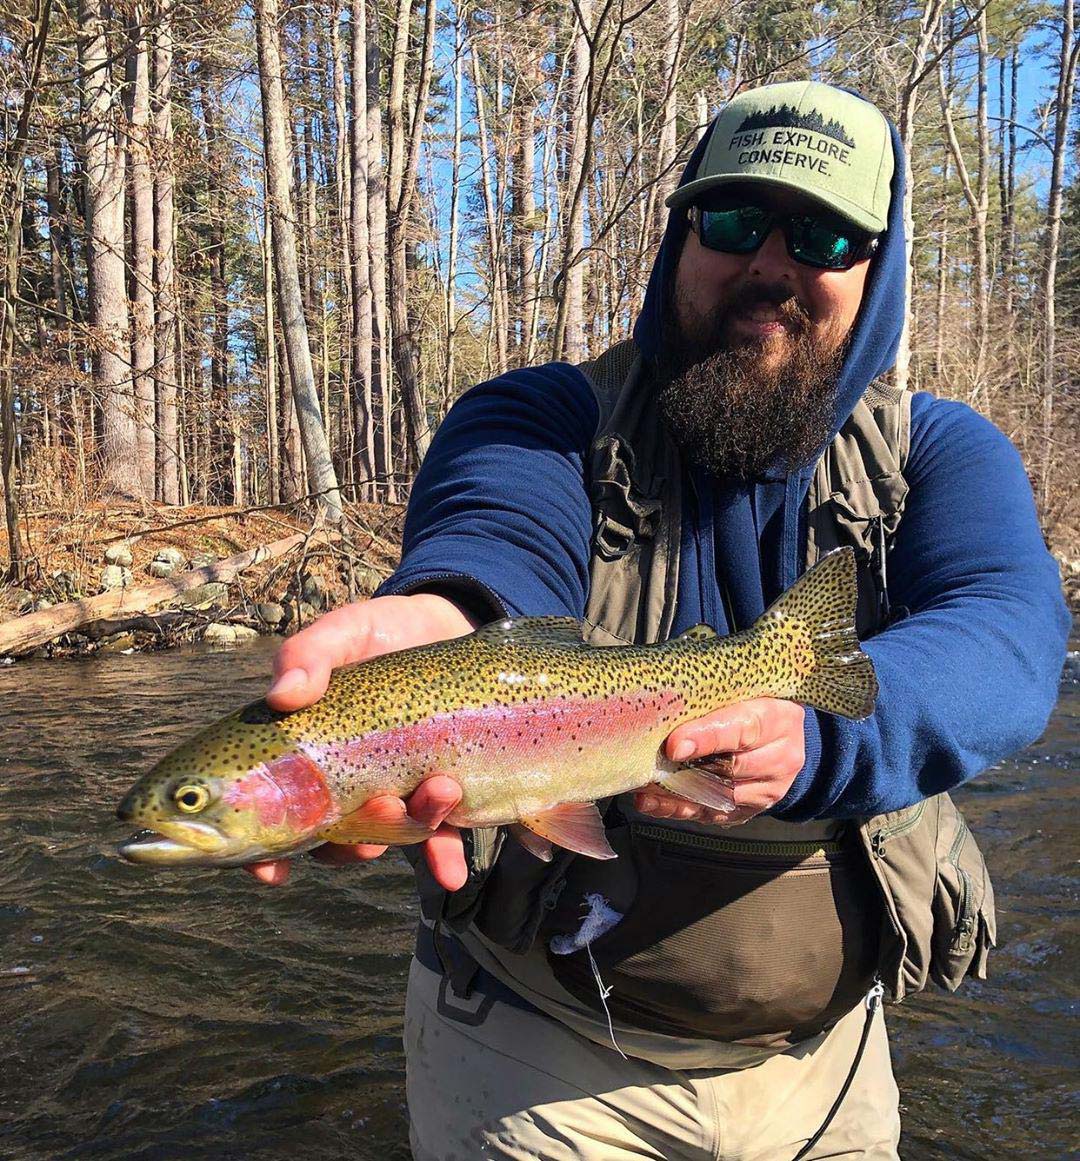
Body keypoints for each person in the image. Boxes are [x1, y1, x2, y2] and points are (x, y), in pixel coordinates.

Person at [247, 81, 1069, 1159]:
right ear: (679, 240)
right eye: (731, 221)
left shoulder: (938, 456)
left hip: (824, 1065)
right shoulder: (541, 420)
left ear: (877, 274)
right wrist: (441, 626)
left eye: (820, 234)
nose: (769, 264)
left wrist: (820, 736)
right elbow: (497, 540)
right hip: (534, 1057)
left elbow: (1005, 631)